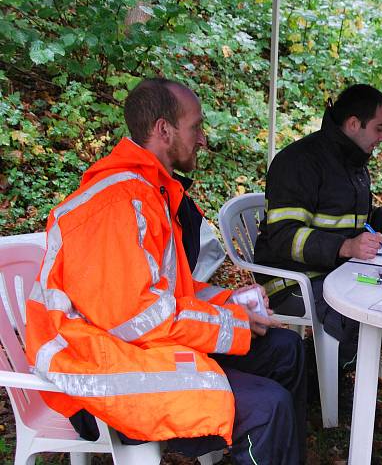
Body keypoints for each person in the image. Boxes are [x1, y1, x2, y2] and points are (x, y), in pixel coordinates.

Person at [25, 78, 306, 464]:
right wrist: (235, 324)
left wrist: (235, 304)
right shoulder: (119, 203)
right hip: (99, 369)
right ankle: (257, 439)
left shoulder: (150, 191)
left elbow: (172, 291)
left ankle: (260, 451)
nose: (202, 139)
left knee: (286, 350)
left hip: (136, 347)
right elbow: (138, 319)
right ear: (163, 130)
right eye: (195, 127)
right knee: (267, 408)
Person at [253, 83, 382, 366]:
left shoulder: (352, 160)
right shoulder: (300, 162)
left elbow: (356, 220)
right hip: (289, 280)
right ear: (354, 124)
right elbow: (285, 237)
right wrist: (346, 246)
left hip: (333, 271)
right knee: (362, 311)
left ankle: (327, 370)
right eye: (379, 128)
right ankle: (316, 383)